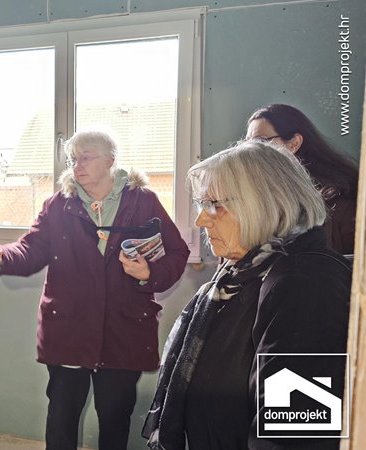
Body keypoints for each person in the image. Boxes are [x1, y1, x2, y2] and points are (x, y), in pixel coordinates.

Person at [0, 130, 189, 450]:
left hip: (123, 330)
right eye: (73, 159)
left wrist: (149, 273)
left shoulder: (143, 201)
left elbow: (177, 252)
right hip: (69, 329)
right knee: (61, 418)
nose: (77, 165)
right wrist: (1, 256)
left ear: (110, 160)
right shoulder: (58, 205)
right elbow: (31, 248)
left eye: (86, 157)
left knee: (115, 420)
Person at [143, 141, 351, 450]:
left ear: (265, 202)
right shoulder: (243, 271)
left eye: (214, 205)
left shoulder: (306, 285)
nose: (201, 220)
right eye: (202, 205)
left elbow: (295, 434)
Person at [246, 103, 358, 254]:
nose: (251, 151)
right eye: (248, 143)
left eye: (260, 141)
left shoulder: (342, 201)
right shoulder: (260, 197)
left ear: (294, 143)